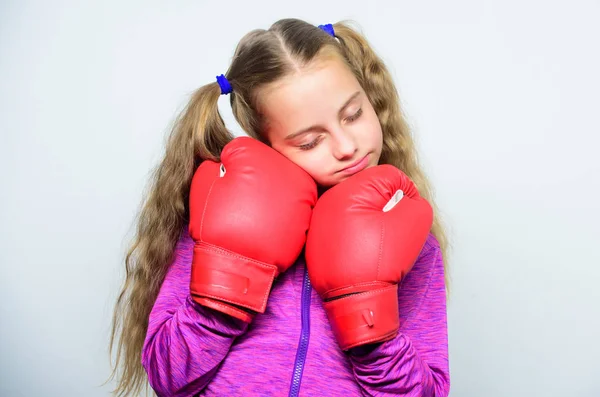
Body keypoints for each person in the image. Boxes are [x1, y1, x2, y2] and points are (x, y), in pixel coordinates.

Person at [109, 18, 451, 397]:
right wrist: (228, 283)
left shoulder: (412, 241)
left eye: (354, 115)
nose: (346, 146)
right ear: (265, 141)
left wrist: (367, 320)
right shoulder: (213, 220)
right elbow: (168, 378)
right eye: (309, 142)